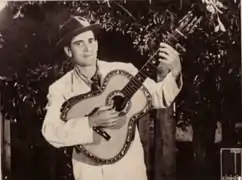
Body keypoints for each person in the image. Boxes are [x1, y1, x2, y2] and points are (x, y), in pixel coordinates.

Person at [41, 15, 183, 180]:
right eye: (79, 44)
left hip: (130, 170)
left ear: (97, 43)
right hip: (89, 173)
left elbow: (160, 96)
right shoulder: (60, 88)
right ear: (68, 51)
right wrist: (90, 122)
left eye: (91, 41)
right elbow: (50, 131)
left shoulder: (123, 72)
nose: (88, 49)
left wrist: (176, 73)